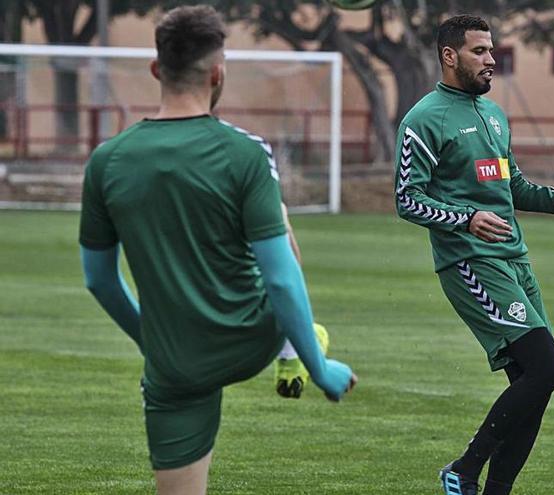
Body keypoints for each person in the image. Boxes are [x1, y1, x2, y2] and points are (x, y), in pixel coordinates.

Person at [78, 6, 356, 494]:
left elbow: (98, 279)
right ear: (217, 72)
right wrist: (321, 368)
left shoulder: (106, 161)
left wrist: (150, 338)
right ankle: (296, 347)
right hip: (254, 335)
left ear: (156, 70)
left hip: (176, 361)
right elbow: (281, 276)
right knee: (277, 218)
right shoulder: (246, 153)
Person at [394, 14, 554, 495]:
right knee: (549, 366)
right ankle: (463, 469)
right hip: (470, 263)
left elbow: (513, 188)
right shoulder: (423, 120)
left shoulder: (493, 115)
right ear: (450, 56)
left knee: (534, 387)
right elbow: (407, 198)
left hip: (515, 261)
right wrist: (464, 219)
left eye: (491, 51)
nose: (491, 60)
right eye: (479, 51)